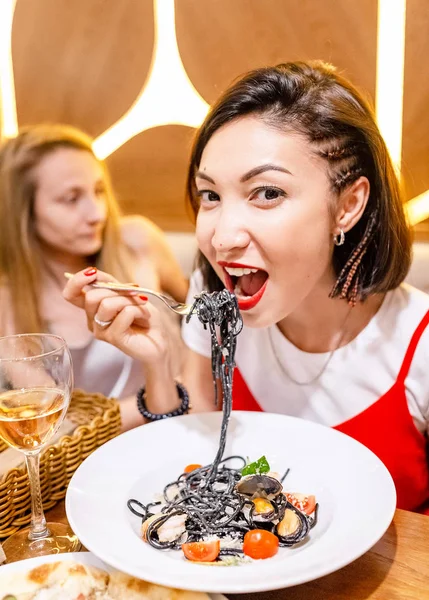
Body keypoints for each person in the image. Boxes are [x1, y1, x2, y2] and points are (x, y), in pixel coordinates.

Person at [64, 61, 429, 513]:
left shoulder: (420, 343)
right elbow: (194, 458)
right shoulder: (213, 295)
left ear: (348, 205)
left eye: (267, 193)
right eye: (211, 196)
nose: (221, 237)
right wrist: (159, 364)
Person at [0, 124, 188, 430]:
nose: (96, 213)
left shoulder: (138, 242)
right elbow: (54, 423)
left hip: (190, 424)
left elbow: (199, 323)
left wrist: (187, 390)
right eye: (71, 199)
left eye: (99, 191)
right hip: (94, 456)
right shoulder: (9, 300)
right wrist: (160, 400)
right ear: (26, 214)